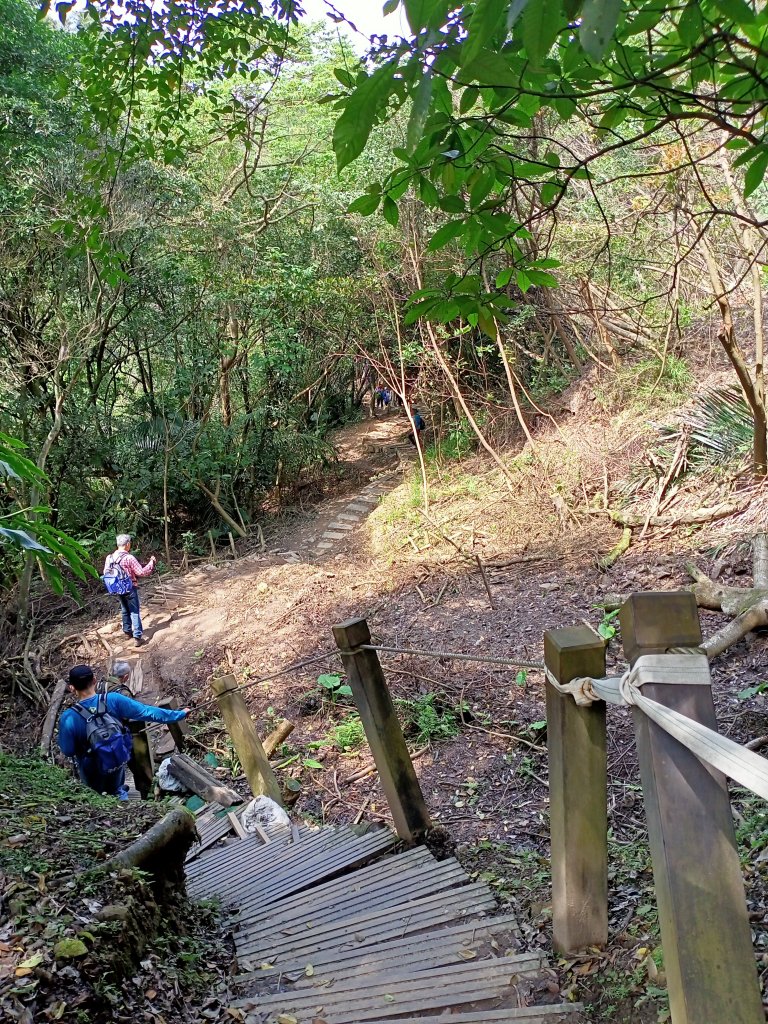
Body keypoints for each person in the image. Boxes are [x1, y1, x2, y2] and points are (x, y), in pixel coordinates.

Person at [58, 664, 190, 800]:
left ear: (72, 688)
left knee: (96, 798)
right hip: (115, 759)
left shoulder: (69, 717)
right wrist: (178, 715)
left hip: (91, 770)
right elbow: (146, 712)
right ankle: (122, 799)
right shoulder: (114, 699)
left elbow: (68, 750)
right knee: (117, 789)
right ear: (94, 680)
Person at [104, 533, 156, 647]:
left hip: (117, 588)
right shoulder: (129, 557)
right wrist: (151, 563)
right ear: (127, 544)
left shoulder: (110, 558)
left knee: (124, 609)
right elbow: (141, 572)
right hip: (130, 587)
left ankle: (127, 632)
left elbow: (106, 573)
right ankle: (137, 637)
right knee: (134, 610)